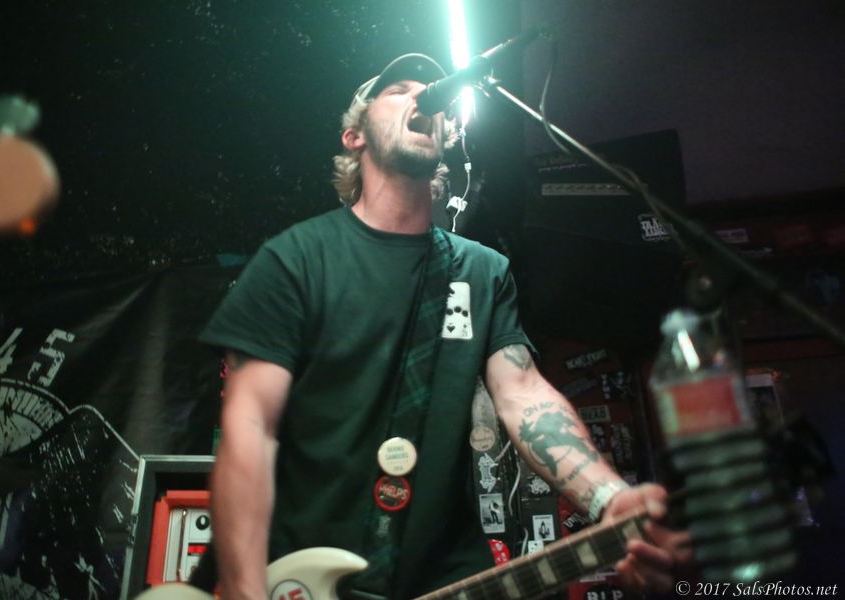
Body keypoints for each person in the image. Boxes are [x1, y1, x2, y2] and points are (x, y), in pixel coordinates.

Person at [200, 53, 689, 600]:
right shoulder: (294, 260)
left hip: (437, 576)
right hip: (291, 575)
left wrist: (608, 498)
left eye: (430, 91)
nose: (422, 97)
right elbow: (251, 426)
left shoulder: (481, 271)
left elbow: (523, 395)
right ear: (354, 137)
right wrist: (243, 584)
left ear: (446, 136)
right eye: (398, 90)